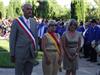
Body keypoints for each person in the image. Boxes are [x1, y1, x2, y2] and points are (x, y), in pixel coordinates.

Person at [9, 3, 38, 75]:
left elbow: (35, 38)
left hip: (31, 53)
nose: (30, 11)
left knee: (28, 73)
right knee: (18, 73)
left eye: (31, 9)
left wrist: (36, 50)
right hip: (20, 54)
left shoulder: (33, 22)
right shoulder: (17, 22)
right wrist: (12, 54)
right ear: (23, 10)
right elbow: (12, 39)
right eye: (28, 9)